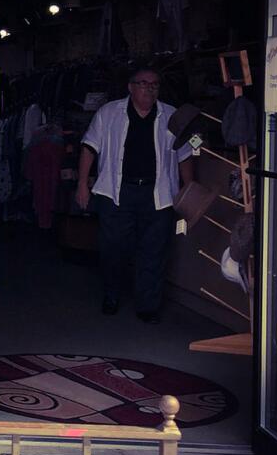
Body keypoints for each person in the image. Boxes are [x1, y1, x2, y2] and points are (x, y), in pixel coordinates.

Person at [76, 69, 194, 324]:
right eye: (143, 84)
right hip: (116, 192)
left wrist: (188, 190)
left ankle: (147, 306)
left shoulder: (171, 116)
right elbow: (89, 147)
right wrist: (82, 184)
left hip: (158, 192)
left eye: (154, 85)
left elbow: (183, 155)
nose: (149, 89)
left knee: (154, 250)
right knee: (112, 247)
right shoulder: (109, 113)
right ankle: (111, 295)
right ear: (130, 87)